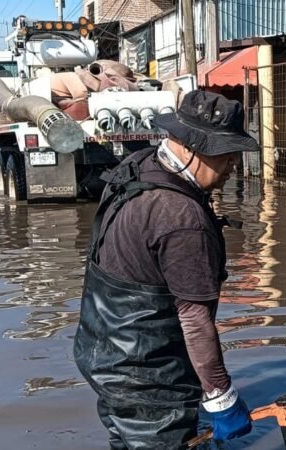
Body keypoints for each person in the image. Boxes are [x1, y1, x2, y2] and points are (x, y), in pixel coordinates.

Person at [74, 90, 259, 449]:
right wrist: (221, 396)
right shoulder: (181, 217)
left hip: (100, 352)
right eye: (226, 152)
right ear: (190, 146)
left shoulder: (140, 166)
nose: (235, 161)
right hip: (146, 376)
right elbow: (194, 320)